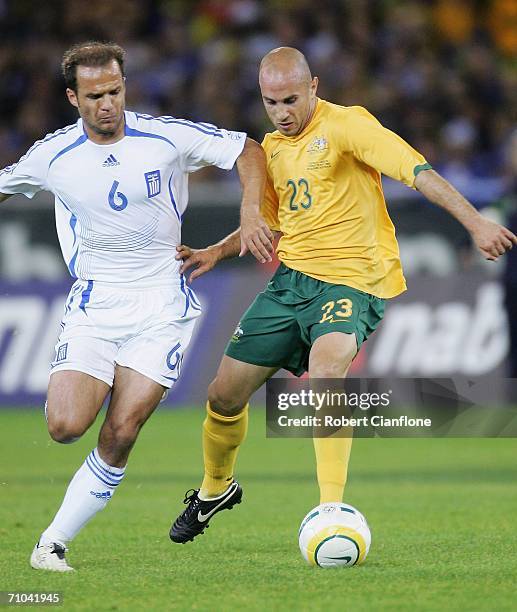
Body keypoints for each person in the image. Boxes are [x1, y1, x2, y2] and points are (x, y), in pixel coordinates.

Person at [169, 47, 517, 544]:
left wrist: (477, 222)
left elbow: (417, 172)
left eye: (290, 99)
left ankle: (330, 507)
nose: (282, 113)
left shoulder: (348, 125)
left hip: (354, 279)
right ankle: (214, 488)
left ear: (313, 86)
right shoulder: (271, 148)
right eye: (271, 102)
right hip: (292, 283)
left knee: (328, 368)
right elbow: (267, 222)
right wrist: (215, 252)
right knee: (223, 396)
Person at [0, 41, 267, 571]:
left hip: (163, 303)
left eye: (116, 91)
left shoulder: (165, 137)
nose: (108, 103)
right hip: (96, 302)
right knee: (66, 425)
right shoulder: (52, 156)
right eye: (95, 94)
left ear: (125, 86)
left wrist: (252, 211)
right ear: (73, 97)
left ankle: (51, 544)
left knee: (122, 429)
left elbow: (248, 149)